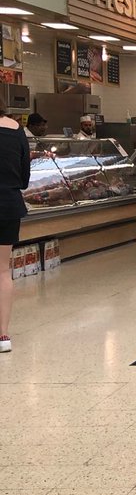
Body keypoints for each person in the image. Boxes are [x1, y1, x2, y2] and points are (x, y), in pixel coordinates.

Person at [0, 98, 32, 353]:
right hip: (9, 204)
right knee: (2, 271)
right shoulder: (16, 129)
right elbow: (25, 175)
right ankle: (3, 336)